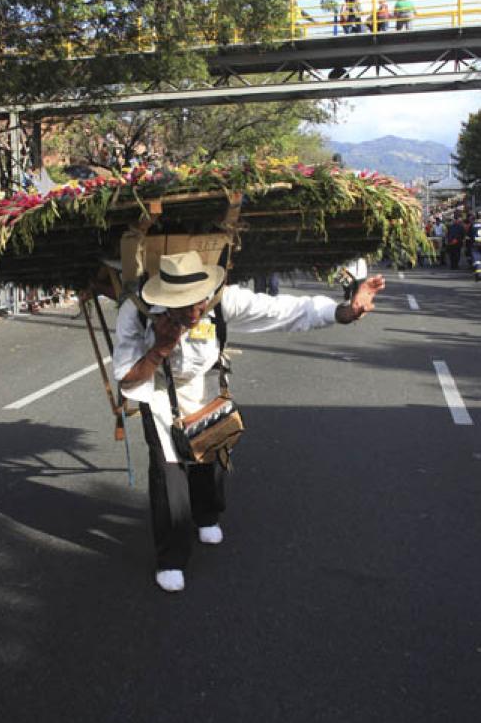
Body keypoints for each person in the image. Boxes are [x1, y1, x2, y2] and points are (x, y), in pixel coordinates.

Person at [112, 250, 385, 592]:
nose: (194, 313)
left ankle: (207, 514)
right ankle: (171, 557)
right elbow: (126, 378)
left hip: (208, 382)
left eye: (198, 303)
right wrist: (160, 349)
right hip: (159, 390)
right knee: (169, 473)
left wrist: (343, 311)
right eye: (182, 306)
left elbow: (285, 310)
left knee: (210, 454)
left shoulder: (224, 301)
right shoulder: (134, 312)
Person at [470, 212, 481, 281]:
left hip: (476, 244)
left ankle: (478, 274)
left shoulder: (473, 225)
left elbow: (469, 235)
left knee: (477, 260)